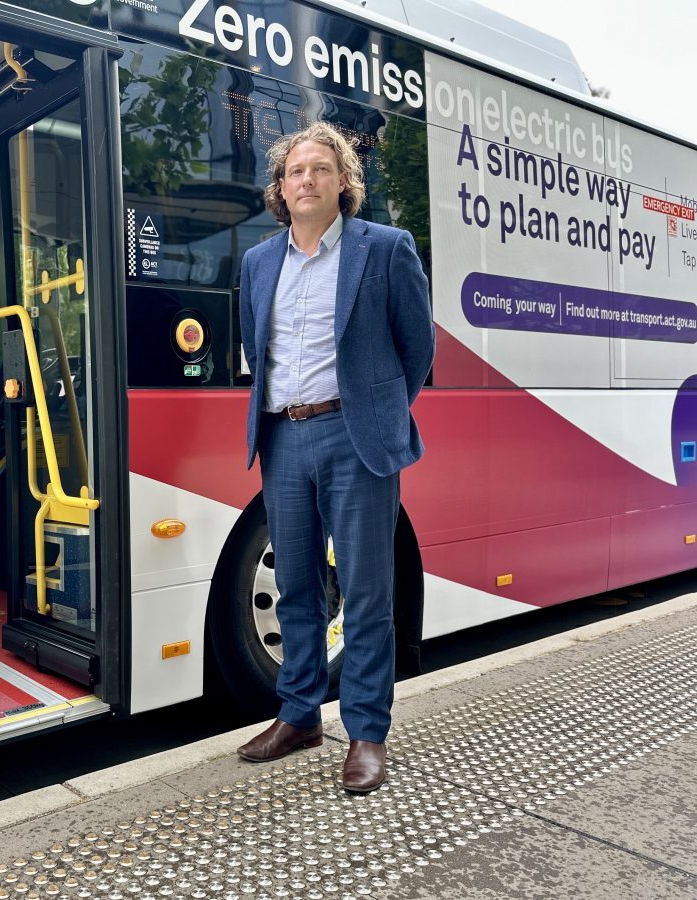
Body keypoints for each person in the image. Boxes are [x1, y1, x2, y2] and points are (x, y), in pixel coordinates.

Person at [235, 122, 434, 793]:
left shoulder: (385, 249)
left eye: (322, 169)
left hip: (355, 438)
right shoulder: (258, 263)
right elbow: (252, 347)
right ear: (281, 188)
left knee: (369, 592)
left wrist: (375, 412)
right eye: (296, 171)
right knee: (295, 585)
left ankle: (367, 732)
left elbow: (417, 350)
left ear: (344, 183)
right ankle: (299, 715)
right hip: (283, 438)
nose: (307, 180)